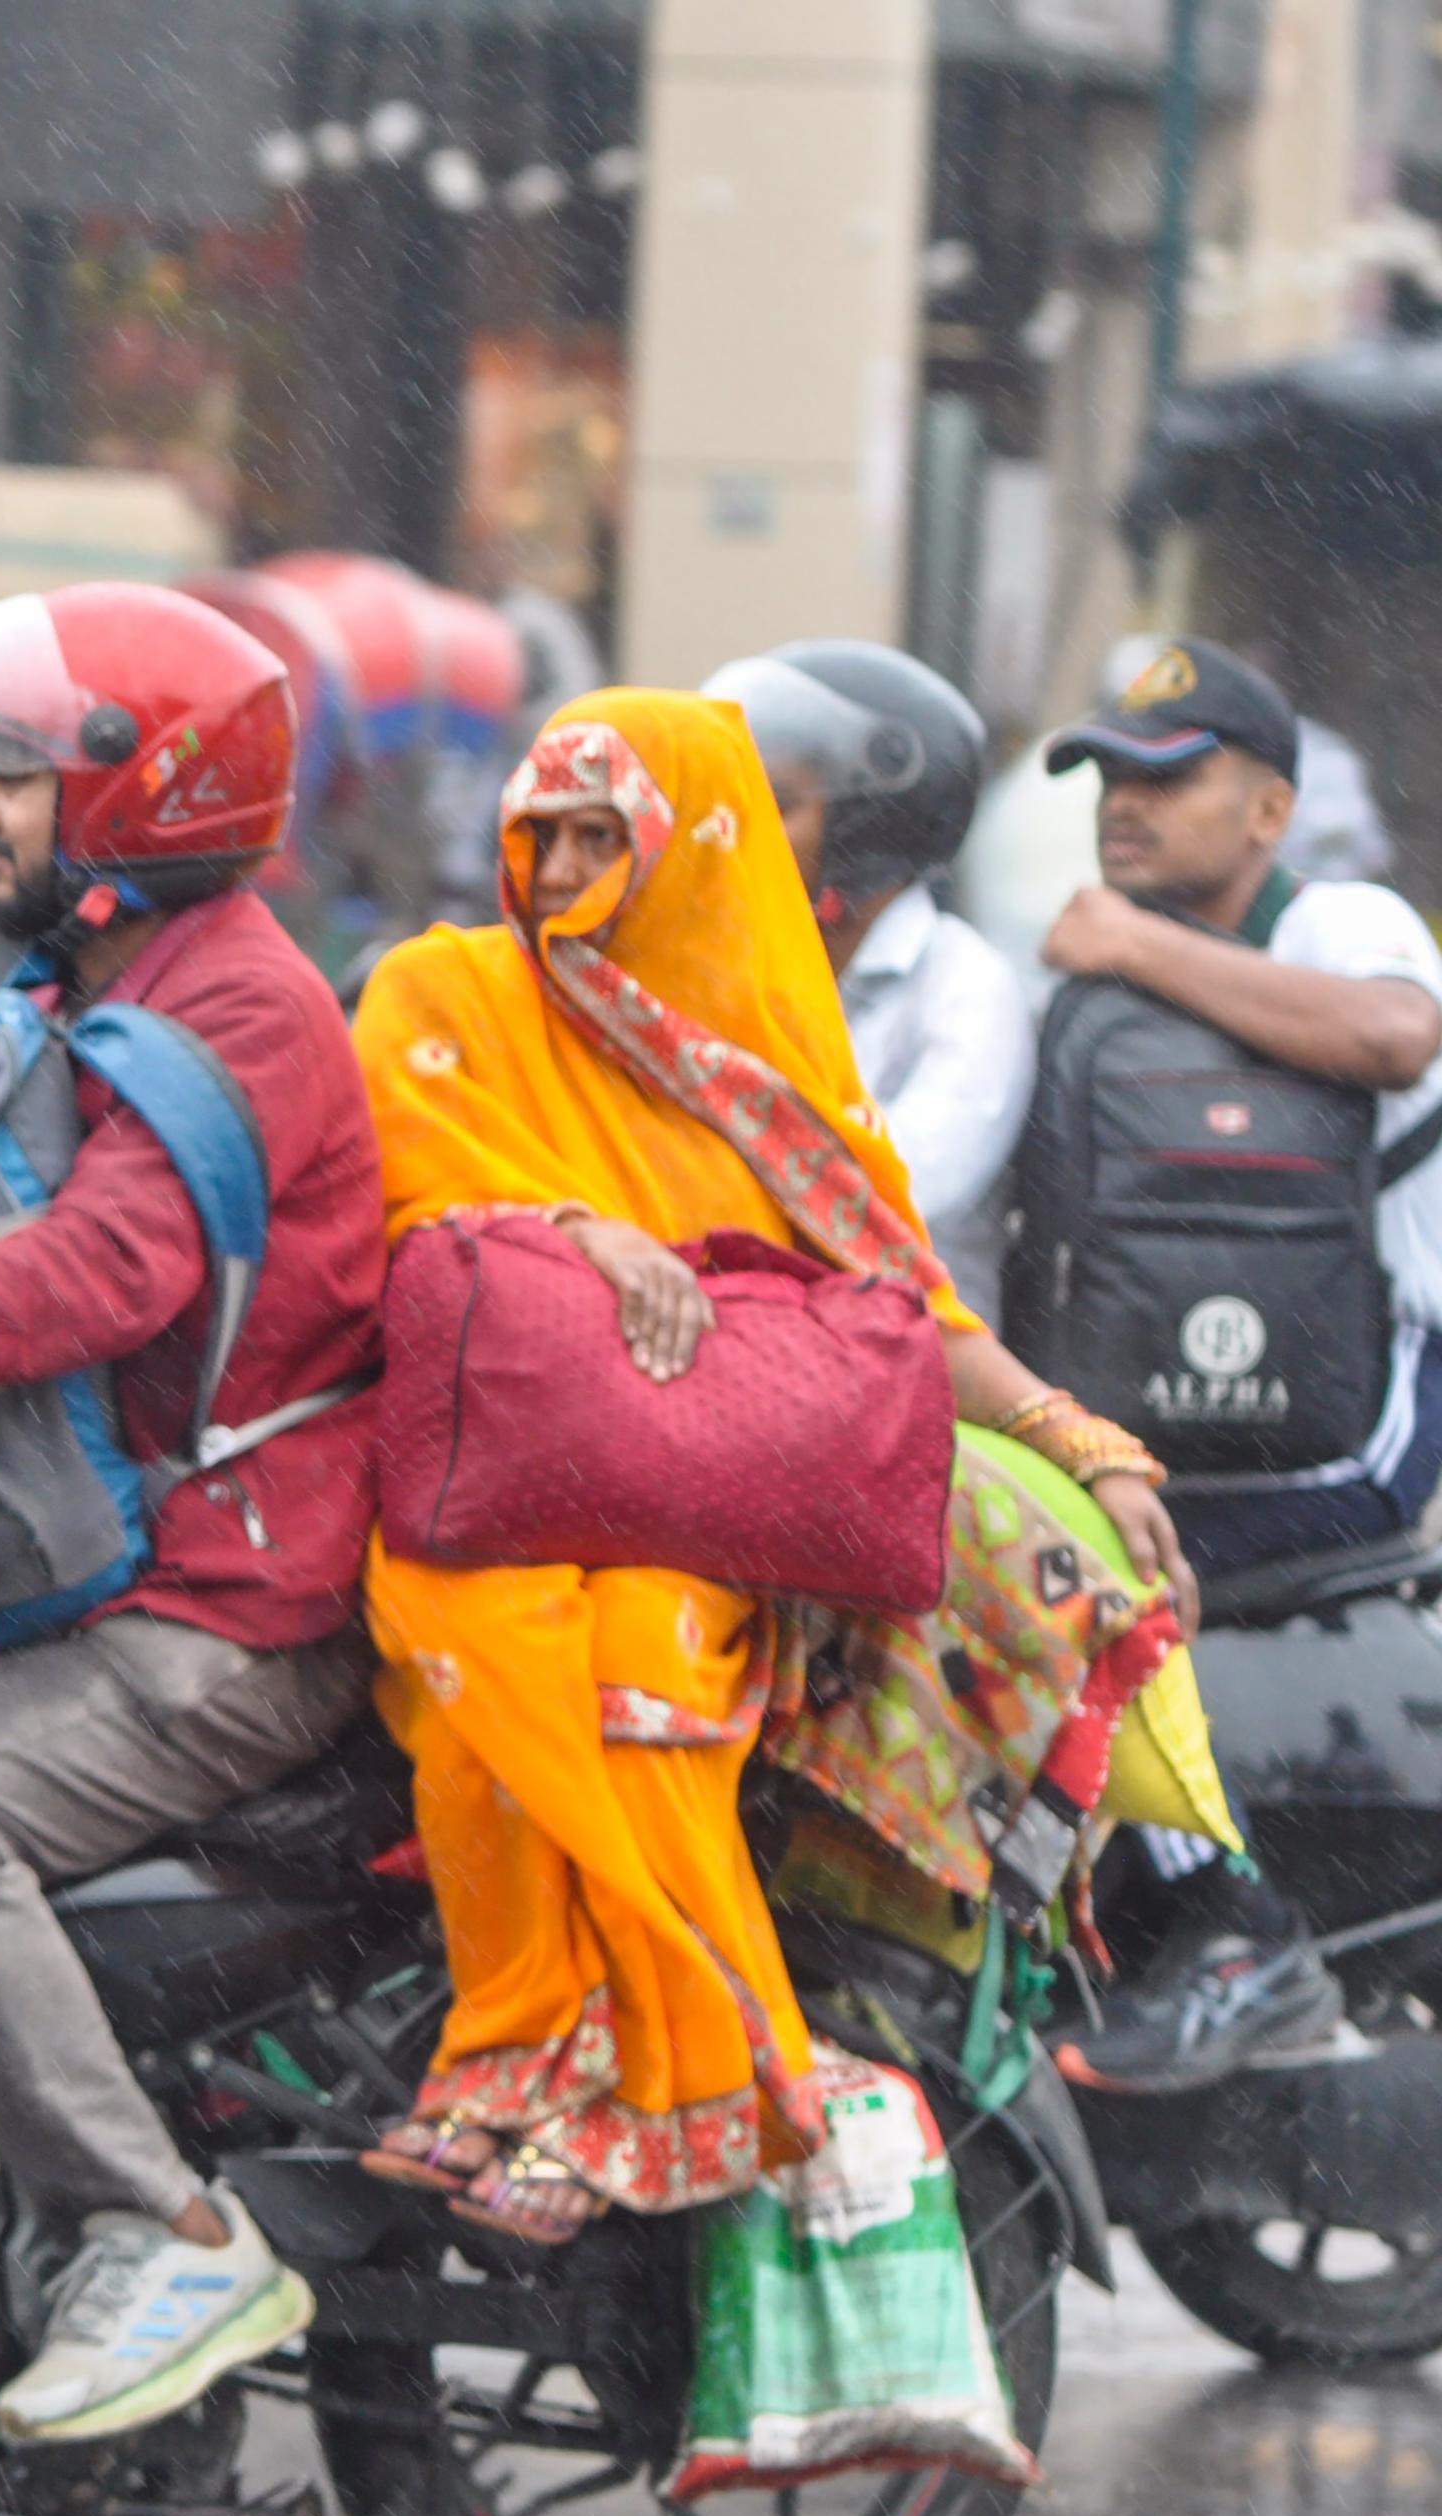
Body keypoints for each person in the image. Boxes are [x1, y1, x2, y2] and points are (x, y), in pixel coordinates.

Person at [347, 691, 1193, 2242]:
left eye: (609, 837)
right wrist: (568, 1233)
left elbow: (907, 1311)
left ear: (694, 848)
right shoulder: (444, 987)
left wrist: (1090, 1445)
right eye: (545, 836)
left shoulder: (761, 1065)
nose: (565, 874)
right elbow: (396, 1191)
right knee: (489, 1635)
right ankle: (524, 2047)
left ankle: (693, 2080)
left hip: (693, 1525)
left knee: (640, 1655)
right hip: (490, 1493)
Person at [0, 585, 385, 2441]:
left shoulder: (231, 997)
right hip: (120, 1571)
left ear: (130, 793)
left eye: (12, 771)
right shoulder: (99, 979)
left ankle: (158, 2227)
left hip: (235, 1604)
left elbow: (117, 1262)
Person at [1028, 638, 1410, 2088]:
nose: (1126, 804)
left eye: (1170, 779)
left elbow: (1394, 1032)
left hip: (1370, 1411)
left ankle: (1246, 1934)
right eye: (1109, 776)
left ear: (1269, 811)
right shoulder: (1089, 957)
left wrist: (1134, 943)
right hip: (1245, 1390)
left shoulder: (1343, 922)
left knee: (1094, 1567)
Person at [703, 642, 1029, 1321]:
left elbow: (895, 1193)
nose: (738, 832)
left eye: (778, 805)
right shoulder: (730, 969)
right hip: (750, 1354)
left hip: (925, 1381)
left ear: (868, 828)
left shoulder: (965, 986)